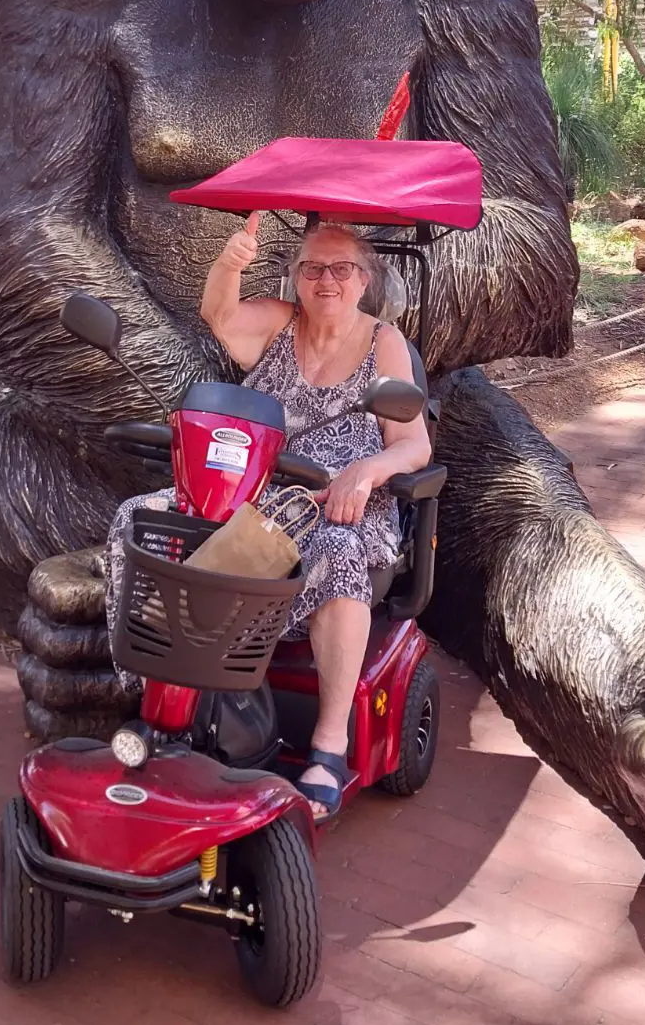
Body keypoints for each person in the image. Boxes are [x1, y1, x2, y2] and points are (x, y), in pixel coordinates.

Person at [106, 215, 432, 821]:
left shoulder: (383, 342)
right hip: (253, 498)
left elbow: (414, 445)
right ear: (296, 277)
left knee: (339, 552)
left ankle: (327, 748)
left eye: (341, 268)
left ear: (364, 279)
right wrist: (231, 262)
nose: (325, 280)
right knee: (138, 519)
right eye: (312, 268)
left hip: (341, 505)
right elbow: (221, 317)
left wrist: (367, 471)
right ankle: (147, 698)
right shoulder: (280, 322)